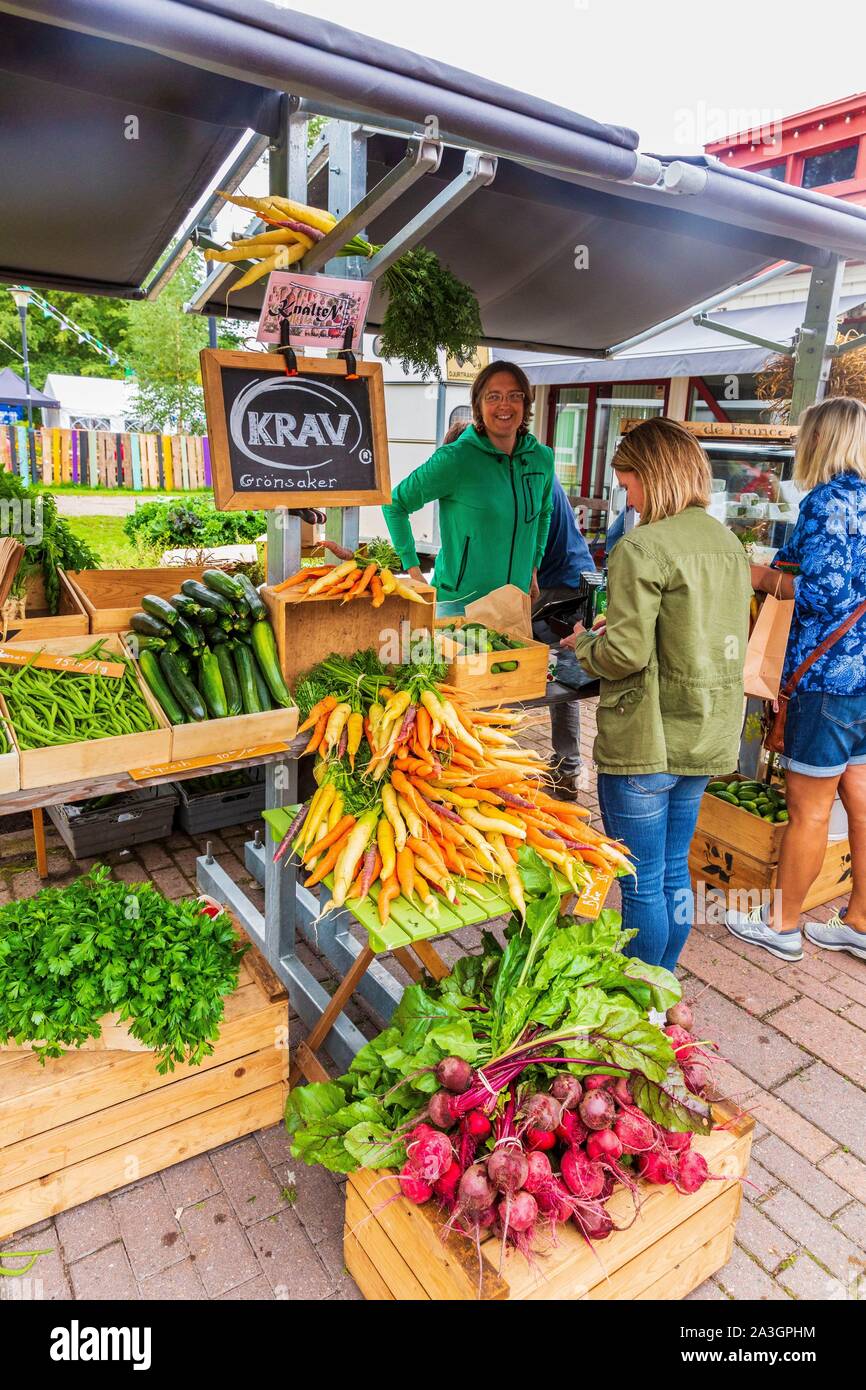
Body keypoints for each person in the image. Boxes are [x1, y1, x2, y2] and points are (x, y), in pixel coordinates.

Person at [561, 417, 751, 969]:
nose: (628, 496)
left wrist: (583, 646)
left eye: (628, 482)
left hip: (646, 735)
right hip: (705, 729)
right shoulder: (727, 542)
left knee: (641, 884)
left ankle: (640, 996)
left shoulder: (641, 546)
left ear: (653, 475)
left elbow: (626, 654)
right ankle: (663, 991)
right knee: (672, 871)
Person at [726, 395, 866, 964]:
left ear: (821, 441)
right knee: (860, 802)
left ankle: (782, 925)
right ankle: (858, 921)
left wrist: (762, 577)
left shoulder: (826, 501)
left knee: (809, 810)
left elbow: (820, 597)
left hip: (826, 680)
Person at [382, 361, 554, 616]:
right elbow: (395, 503)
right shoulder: (456, 458)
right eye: (493, 396)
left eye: (514, 396)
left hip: (514, 605)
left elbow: (543, 513)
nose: (504, 405)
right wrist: (414, 572)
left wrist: (533, 568)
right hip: (459, 606)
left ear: (526, 403)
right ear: (478, 406)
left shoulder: (542, 458)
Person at [533, 477, 596, 796]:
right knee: (562, 675)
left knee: (561, 675)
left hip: (558, 587)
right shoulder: (533, 470)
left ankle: (569, 769)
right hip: (569, 577)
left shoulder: (523, 476)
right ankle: (567, 767)